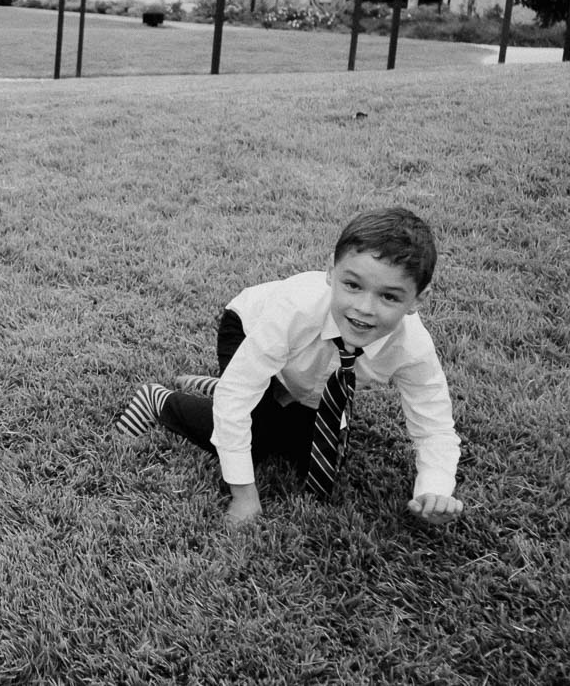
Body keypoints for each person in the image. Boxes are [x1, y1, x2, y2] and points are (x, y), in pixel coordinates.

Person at [115, 207, 464, 528]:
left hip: (306, 376)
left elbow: (434, 426)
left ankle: (228, 389)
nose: (364, 308)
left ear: (418, 299)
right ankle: (159, 400)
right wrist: (245, 495)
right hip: (247, 329)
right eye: (353, 285)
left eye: (389, 296)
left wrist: (434, 489)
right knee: (257, 436)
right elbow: (238, 396)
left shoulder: (413, 348)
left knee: (313, 455)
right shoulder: (293, 311)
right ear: (331, 272)